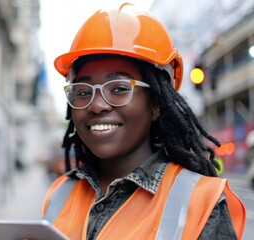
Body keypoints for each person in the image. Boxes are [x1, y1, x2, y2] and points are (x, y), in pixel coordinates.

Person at [42, 2, 246, 240]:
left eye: (118, 88)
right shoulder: (59, 193)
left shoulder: (202, 202)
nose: (96, 105)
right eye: (84, 91)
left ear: (156, 104)